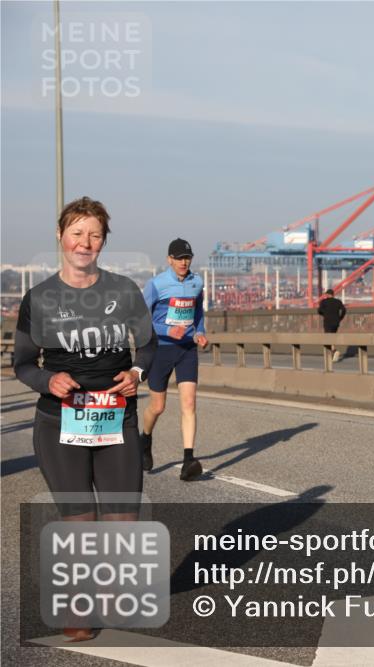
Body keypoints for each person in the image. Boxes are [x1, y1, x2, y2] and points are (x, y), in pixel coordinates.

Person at [13, 196, 155, 642]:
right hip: (60, 422)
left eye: (94, 234)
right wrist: (47, 379)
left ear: (103, 241)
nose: (84, 242)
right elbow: (22, 362)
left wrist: (135, 373)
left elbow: (148, 347)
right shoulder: (38, 298)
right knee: (79, 518)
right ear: (60, 236)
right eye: (77, 232)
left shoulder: (124, 291)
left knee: (122, 520)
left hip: (117, 421)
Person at [140, 238, 208, 481]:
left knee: (189, 404)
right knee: (158, 407)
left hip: (187, 349)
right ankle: (145, 439)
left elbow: (198, 311)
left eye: (187, 257)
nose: (184, 262)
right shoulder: (156, 285)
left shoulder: (196, 282)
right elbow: (140, 320)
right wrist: (167, 331)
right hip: (161, 350)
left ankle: (188, 460)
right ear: (169, 259)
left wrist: (200, 332)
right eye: (179, 258)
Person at [317, 288, 347, 362]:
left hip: (327, 322)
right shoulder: (338, 302)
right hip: (336, 322)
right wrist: (340, 318)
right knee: (332, 337)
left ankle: (334, 351)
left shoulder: (324, 302)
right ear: (333, 294)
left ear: (327, 294)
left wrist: (325, 314)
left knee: (327, 339)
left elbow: (319, 311)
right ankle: (333, 354)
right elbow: (344, 310)